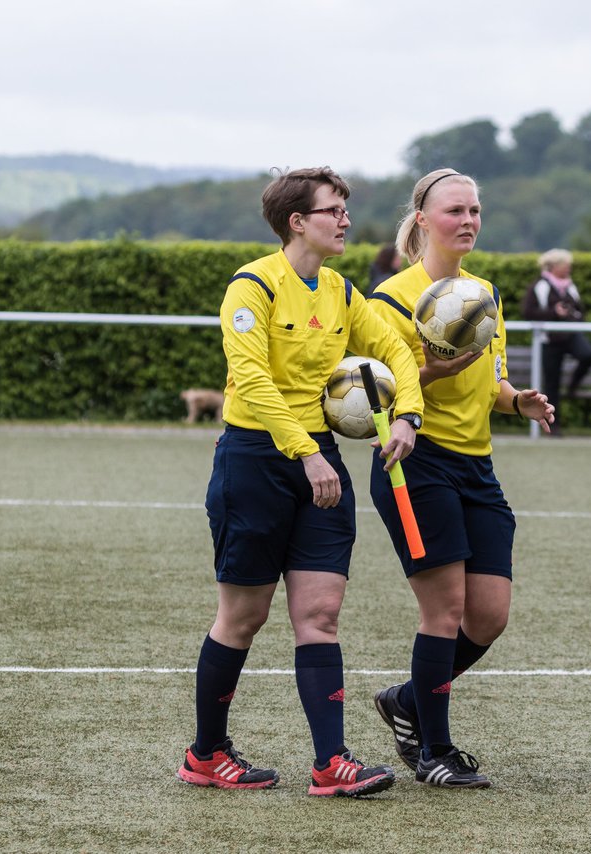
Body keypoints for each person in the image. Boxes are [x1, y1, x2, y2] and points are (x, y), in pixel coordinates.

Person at [176, 167, 425, 798]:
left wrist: (408, 416)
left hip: (318, 459)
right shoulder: (252, 286)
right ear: (298, 221)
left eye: (345, 208)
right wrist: (305, 452)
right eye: (333, 209)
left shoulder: (341, 290)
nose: (345, 219)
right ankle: (205, 754)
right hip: (255, 460)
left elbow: (396, 352)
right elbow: (252, 379)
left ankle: (331, 762)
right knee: (244, 615)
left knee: (321, 612)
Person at [365, 168, 555, 789]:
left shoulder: (485, 293)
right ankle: (434, 752)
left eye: (475, 210)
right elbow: (388, 388)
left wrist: (515, 400)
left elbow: (489, 376)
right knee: (444, 610)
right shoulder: (389, 298)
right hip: (416, 463)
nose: (468, 221)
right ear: (422, 219)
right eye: (455, 211)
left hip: (478, 466)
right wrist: (440, 367)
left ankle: (407, 701)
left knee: (490, 615)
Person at [521, 248, 591, 434]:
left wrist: (571, 315)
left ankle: (572, 387)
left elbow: (580, 311)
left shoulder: (570, 286)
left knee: (588, 355)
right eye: (565, 265)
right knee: (551, 384)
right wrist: (554, 313)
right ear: (554, 266)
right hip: (550, 341)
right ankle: (554, 427)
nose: (569, 268)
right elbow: (528, 312)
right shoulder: (540, 286)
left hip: (570, 336)